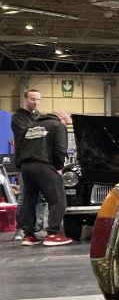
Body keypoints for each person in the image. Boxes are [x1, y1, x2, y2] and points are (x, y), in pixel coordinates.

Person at [18, 109, 73, 247]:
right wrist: (59, 167)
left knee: (29, 200)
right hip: (44, 165)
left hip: (26, 166)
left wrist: (21, 166)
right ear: (61, 118)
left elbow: (19, 148)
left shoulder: (29, 126)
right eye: (66, 122)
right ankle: (53, 234)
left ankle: (28, 235)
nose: (66, 125)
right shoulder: (57, 125)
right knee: (58, 200)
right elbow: (60, 148)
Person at [11, 89, 43, 239]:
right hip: (25, 162)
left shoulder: (40, 117)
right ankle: (20, 229)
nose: (35, 102)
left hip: (41, 161)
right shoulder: (17, 117)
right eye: (32, 99)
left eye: (38, 99)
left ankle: (35, 227)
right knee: (24, 196)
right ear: (25, 99)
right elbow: (28, 133)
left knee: (41, 197)